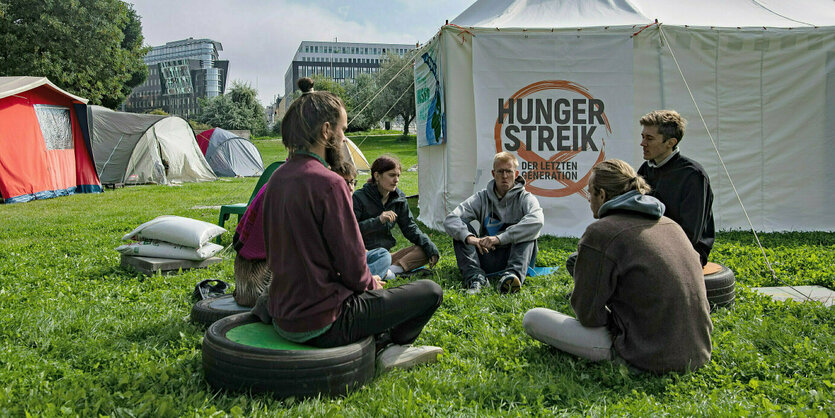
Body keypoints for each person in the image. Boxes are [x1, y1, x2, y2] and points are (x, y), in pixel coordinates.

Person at [257, 77, 443, 371]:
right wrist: (372, 283)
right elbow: (354, 266)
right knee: (430, 291)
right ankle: (388, 347)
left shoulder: (277, 179)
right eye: (343, 130)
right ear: (326, 130)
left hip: (283, 315)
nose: (344, 138)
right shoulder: (330, 183)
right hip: (324, 321)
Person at [523, 159, 712, 374]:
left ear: (602, 195)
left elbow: (588, 316)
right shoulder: (671, 225)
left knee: (533, 318)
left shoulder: (601, 232)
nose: (588, 200)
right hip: (698, 352)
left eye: (589, 193)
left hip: (646, 354)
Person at [443, 152, 543, 294]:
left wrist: (498, 239)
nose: (504, 176)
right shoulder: (482, 197)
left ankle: (511, 278)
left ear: (516, 174)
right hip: (488, 254)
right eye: (500, 171)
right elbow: (451, 219)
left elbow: (537, 221)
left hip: (517, 256)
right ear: (493, 173)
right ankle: (476, 279)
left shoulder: (526, 198)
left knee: (528, 231)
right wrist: (470, 238)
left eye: (509, 171)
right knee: (461, 231)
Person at [637, 110, 714, 266]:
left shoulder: (693, 175)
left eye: (649, 138)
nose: (643, 143)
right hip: (649, 245)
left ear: (670, 143)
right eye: (643, 137)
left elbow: (690, 235)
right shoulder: (646, 169)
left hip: (685, 252)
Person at [352, 155, 440, 277]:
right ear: (377, 176)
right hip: (364, 255)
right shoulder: (359, 197)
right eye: (392, 175)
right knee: (383, 257)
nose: (396, 180)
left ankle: (390, 272)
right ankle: (388, 273)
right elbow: (350, 231)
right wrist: (378, 220)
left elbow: (410, 227)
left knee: (423, 251)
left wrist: (430, 247)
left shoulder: (399, 198)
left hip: (387, 256)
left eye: (398, 175)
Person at [332, 160, 393, 280]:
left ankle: (371, 275)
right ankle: (369, 278)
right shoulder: (331, 206)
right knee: (390, 273)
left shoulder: (351, 203)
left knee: (383, 254)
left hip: (356, 254)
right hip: (340, 259)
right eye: (345, 182)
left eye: (352, 182)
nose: (350, 187)